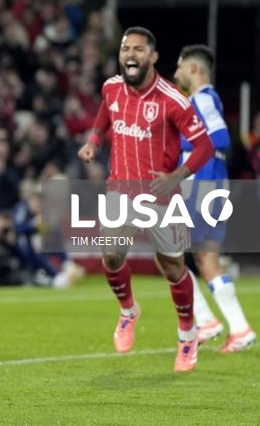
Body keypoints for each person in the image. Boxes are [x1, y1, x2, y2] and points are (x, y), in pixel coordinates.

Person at [78, 26, 215, 373]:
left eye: (138, 49)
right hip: (121, 189)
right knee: (111, 254)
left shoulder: (173, 99)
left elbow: (205, 145)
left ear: (153, 57)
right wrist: (94, 140)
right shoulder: (111, 87)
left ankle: (187, 334)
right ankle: (128, 310)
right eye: (126, 48)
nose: (130, 54)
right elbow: (105, 114)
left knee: (172, 268)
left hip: (161, 197)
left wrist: (177, 177)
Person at [173, 44, 256, 352]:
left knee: (168, 252)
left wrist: (184, 145)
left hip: (203, 186)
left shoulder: (203, 99)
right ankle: (238, 328)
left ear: (193, 69)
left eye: (180, 67)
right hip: (210, 184)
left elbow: (220, 137)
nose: (176, 73)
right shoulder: (204, 100)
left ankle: (207, 321)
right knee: (204, 259)